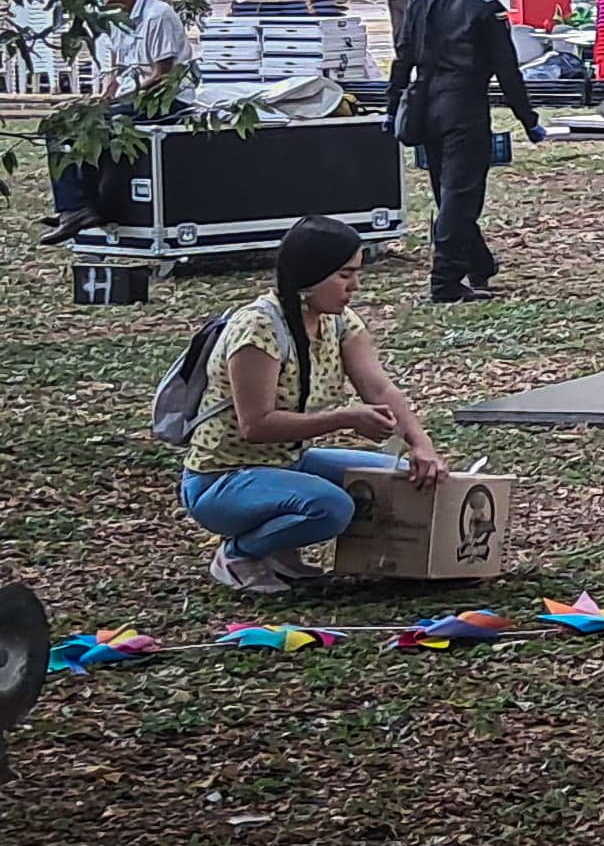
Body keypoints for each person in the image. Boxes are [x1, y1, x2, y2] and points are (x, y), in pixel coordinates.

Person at [177, 217, 443, 594]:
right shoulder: (258, 328)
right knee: (332, 507)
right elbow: (257, 425)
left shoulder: (338, 322)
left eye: (356, 273)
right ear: (310, 275)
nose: (355, 286)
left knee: (395, 480)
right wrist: (344, 419)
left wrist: (421, 445)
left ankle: (280, 549)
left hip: (288, 462)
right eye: (344, 275)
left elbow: (379, 387)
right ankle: (239, 553)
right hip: (222, 478)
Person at [383, 0, 547, 303]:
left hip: (424, 107)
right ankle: (445, 281)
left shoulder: (423, 2)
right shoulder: (485, 9)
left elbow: (402, 59)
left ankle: (479, 263)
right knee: (462, 197)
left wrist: (392, 107)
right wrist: (528, 119)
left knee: (448, 193)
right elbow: (508, 71)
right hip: (464, 109)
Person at [48, 0, 196, 232]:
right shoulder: (116, 18)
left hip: (168, 101)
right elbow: (113, 70)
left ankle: (89, 208)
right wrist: (103, 97)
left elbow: (160, 76)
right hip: (133, 98)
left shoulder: (158, 15)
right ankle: (74, 207)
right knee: (61, 126)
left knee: (99, 126)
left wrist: (115, 102)